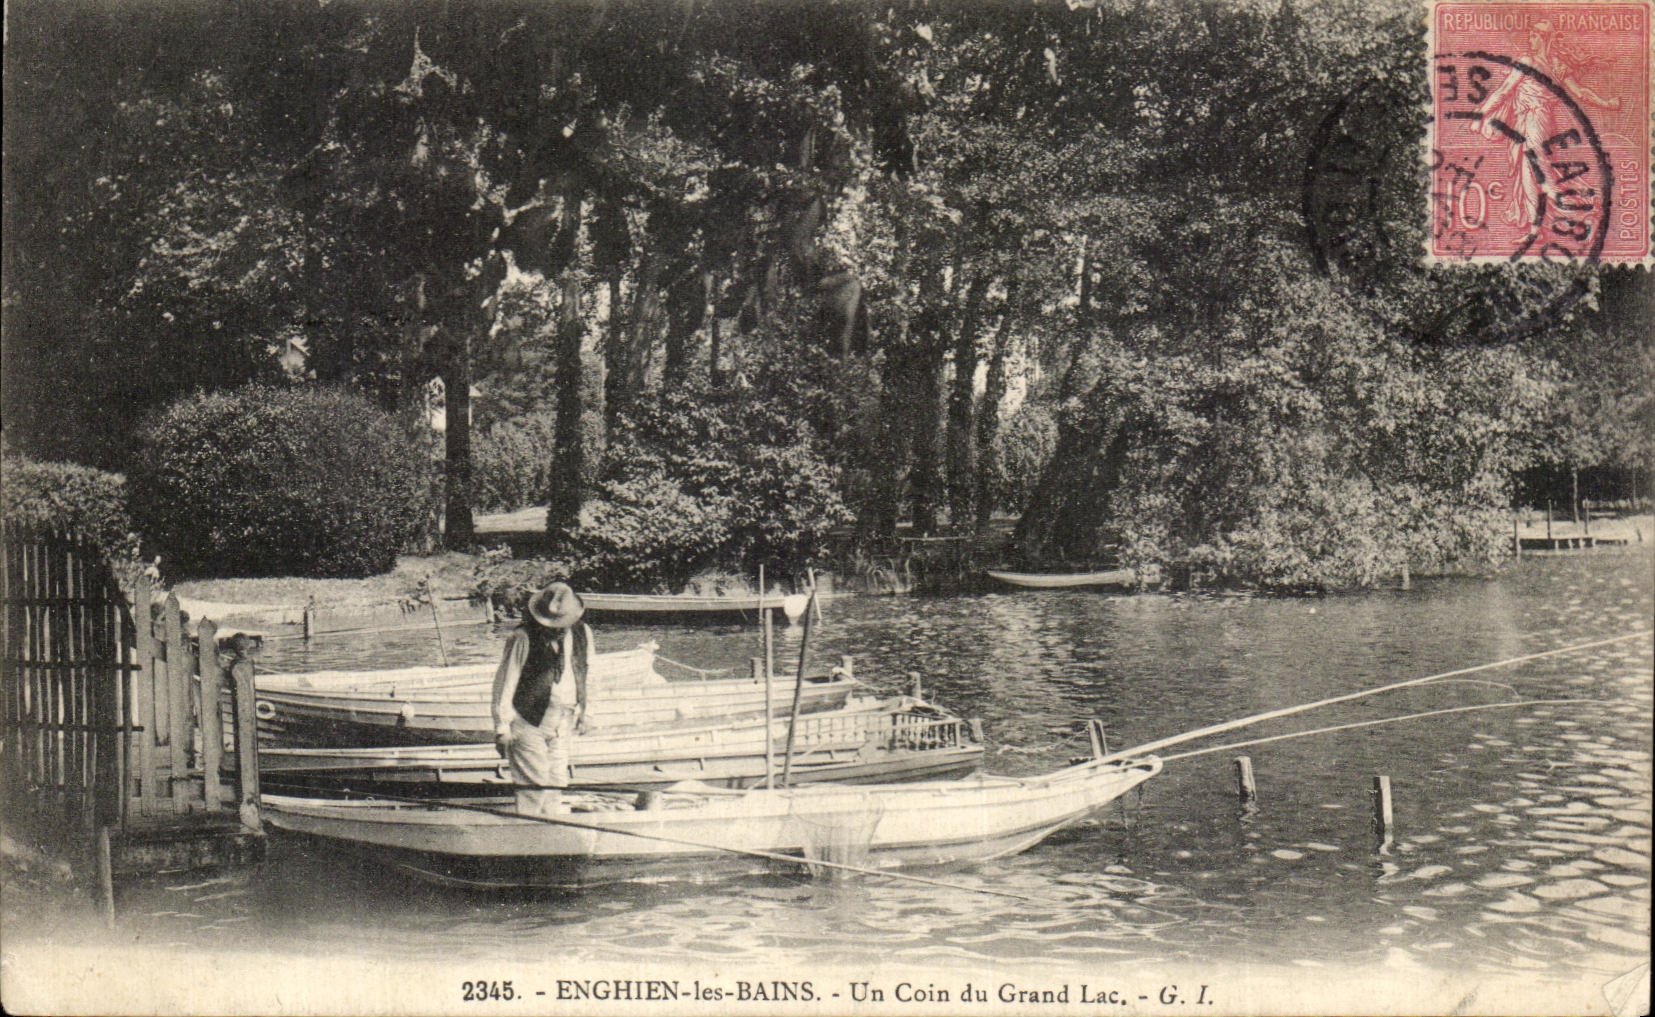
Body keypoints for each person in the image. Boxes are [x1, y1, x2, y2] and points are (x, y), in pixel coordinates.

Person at [491, 582, 593, 817]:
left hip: (563, 720)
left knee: (557, 778)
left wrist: (588, 712)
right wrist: (501, 725)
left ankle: (551, 826)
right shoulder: (522, 637)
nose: (556, 629)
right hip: (527, 721)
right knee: (533, 783)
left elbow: (589, 672)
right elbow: (505, 683)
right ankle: (530, 827)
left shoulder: (583, 633)